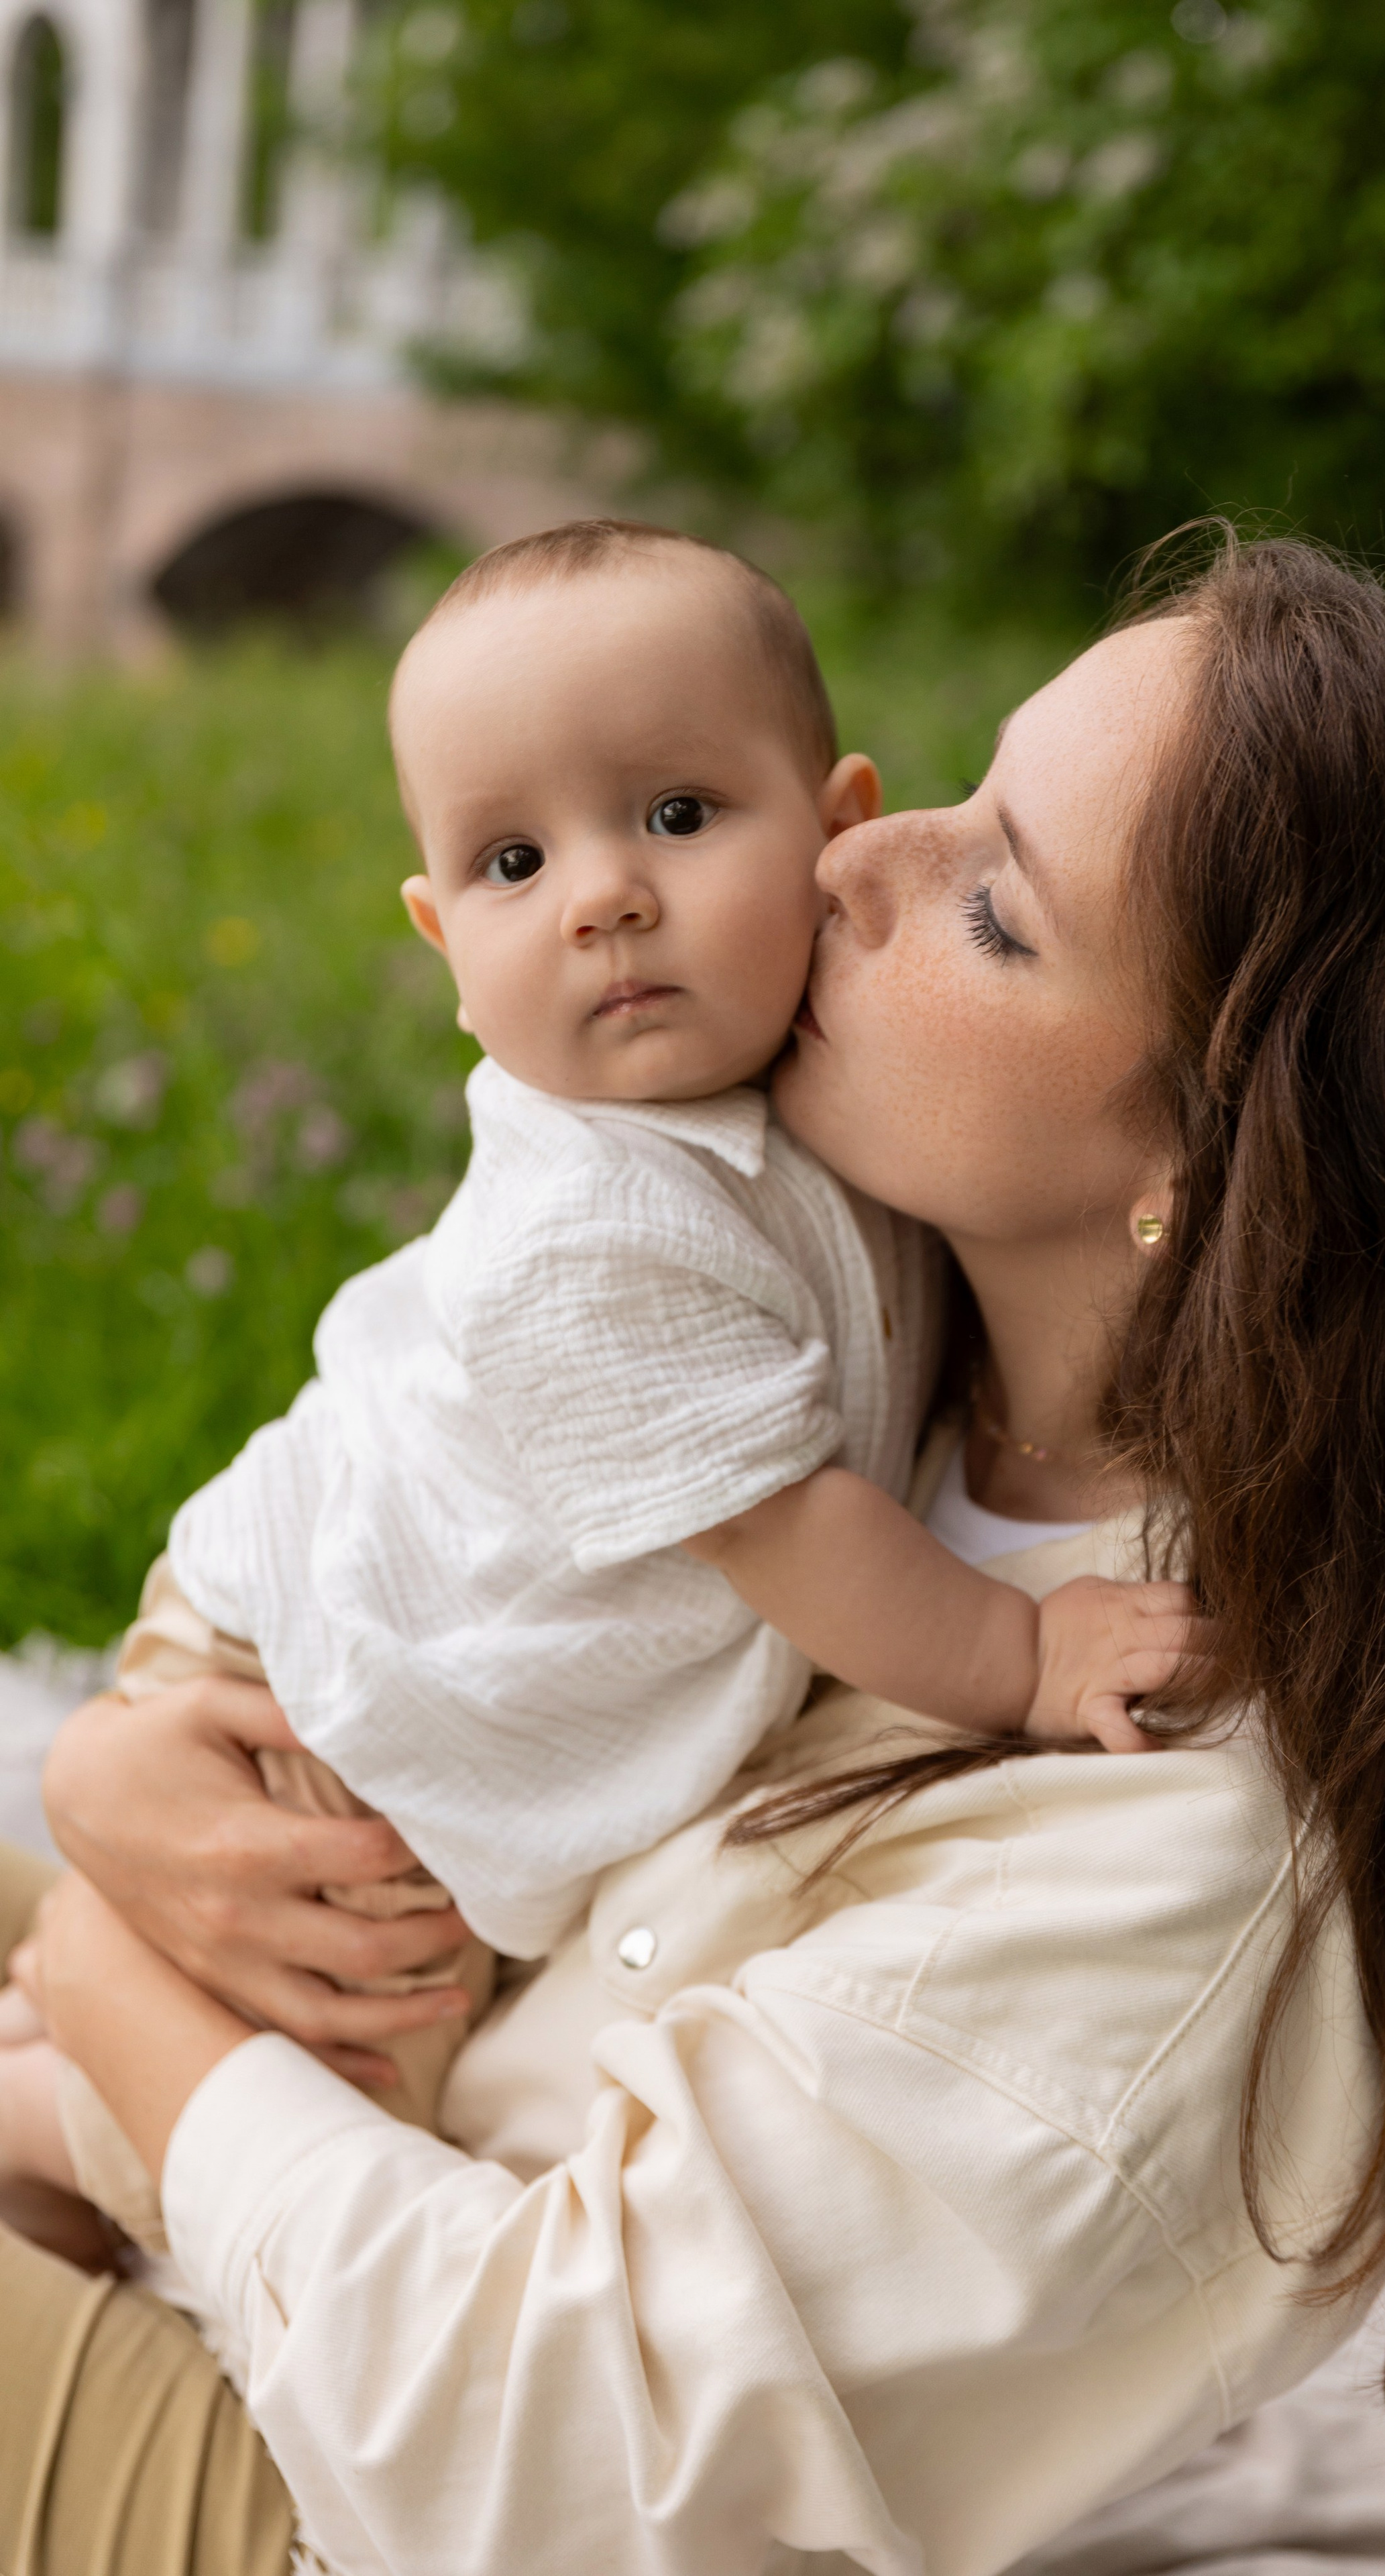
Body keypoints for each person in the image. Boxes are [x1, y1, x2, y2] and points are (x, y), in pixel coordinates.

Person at [3, 535, 1385, 2576]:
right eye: (961, 791)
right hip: (380, 2082)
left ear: (1228, 1157)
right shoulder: (882, 1313)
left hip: (345, 2482)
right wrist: (132, 1761)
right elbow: (427, 1508)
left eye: (994, 905)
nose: (848, 860)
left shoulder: (1181, 1794)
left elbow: (534, 2458)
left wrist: (111, 1992)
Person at [0, 519, 1195, 2252]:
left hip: (419, 1640)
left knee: (268, 1996)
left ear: (839, 834)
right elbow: (787, 1525)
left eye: (679, 816)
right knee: (352, 2036)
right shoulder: (588, 1225)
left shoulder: (814, 1111)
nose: (602, 895)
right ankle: (41, 2109)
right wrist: (1023, 1650)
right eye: (509, 863)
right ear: (438, 941)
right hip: (353, 1676)